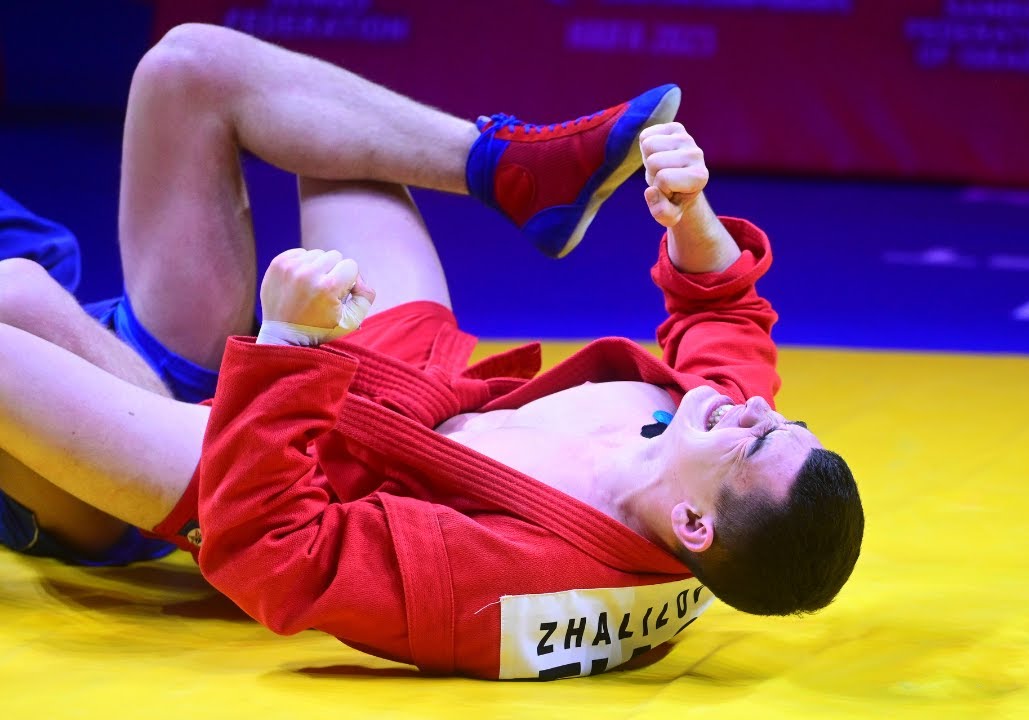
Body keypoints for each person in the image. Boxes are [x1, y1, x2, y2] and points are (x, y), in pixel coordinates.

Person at [0, 24, 864, 680]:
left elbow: (280, 550)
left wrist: (291, 346)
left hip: (246, 477)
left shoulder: (524, 589)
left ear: (692, 526)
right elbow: (728, 320)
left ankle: (60, 455)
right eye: (779, 417)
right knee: (195, 69)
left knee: (17, 299)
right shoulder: (710, 450)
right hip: (397, 380)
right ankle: (515, 168)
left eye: (752, 437)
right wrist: (695, 217)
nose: (749, 407)